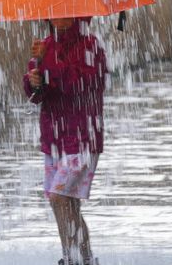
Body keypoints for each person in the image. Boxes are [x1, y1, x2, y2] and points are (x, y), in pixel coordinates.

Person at [23, 17, 107, 265]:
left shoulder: (91, 46)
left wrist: (48, 65)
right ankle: (83, 259)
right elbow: (37, 97)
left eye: (65, 13)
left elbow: (83, 83)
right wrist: (33, 80)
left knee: (60, 197)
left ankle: (72, 259)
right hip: (54, 138)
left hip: (83, 137)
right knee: (62, 201)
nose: (58, 19)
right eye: (54, 13)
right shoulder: (45, 46)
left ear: (78, 15)